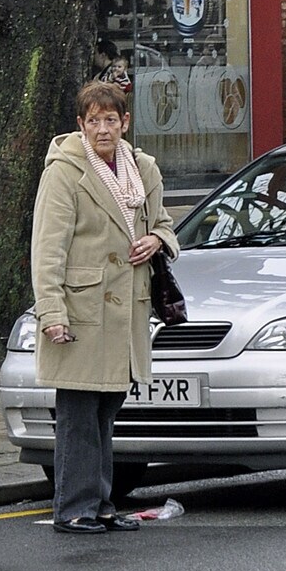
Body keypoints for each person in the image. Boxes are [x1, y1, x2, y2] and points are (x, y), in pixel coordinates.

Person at [31, 79, 178, 535]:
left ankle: (100, 503)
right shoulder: (65, 171)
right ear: (80, 125)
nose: (102, 129)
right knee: (78, 413)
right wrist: (51, 313)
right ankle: (73, 507)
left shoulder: (143, 169)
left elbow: (166, 225)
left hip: (124, 312)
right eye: (92, 120)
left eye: (110, 120)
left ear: (124, 122)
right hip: (81, 310)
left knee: (105, 411)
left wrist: (156, 239)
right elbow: (47, 248)